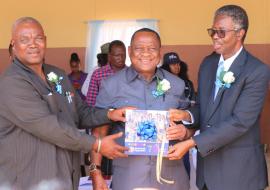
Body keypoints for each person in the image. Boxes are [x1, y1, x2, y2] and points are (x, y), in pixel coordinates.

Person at [0, 17, 130, 190]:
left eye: (38, 38)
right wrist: (97, 144)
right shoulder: (12, 82)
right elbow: (49, 127)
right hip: (28, 178)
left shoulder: (57, 74)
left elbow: (80, 112)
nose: (33, 44)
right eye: (24, 40)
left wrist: (110, 114)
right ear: (13, 45)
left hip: (65, 173)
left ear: (45, 41)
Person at [167, 5, 270, 190]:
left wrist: (191, 143)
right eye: (213, 31)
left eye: (221, 32)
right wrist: (186, 116)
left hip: (239, 173)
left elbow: (240, 122)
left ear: (240, 34)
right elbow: (202, 105)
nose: (215, 36)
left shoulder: (257, 71)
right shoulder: (208, 63)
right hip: (207, 171)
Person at [91, 28, 190, 190]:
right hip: (129, 174)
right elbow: (99, 133)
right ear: (130, 51)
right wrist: (96, 172)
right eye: (139, 48)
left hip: (170, 175)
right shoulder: (111, 85)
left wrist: (184, 132)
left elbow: (190, 124)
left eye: (151, 48)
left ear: (160, 52)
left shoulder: (177, 84)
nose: (146, 54)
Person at [161, 52, 196, 177]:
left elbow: (193, 104)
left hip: (183, 128)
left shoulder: (187, 83)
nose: (176, 67)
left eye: (178, 64)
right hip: (166, 128)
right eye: (172, 64)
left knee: (184, 163)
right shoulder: (160, 82)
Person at [86, 40, 126, 106]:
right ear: (109, 56)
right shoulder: (98, 74)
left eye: (123, 55)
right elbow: (90, 101)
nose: (121, 58)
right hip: (103, 114)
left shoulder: (131, 74)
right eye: (117, 55)